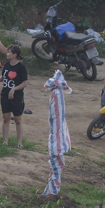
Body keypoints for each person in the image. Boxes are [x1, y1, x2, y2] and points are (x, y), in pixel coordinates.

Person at [43, 69, 72, 197]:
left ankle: (52, 191)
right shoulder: (57, 93)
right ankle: (52, 191)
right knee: (56, 167)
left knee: (56, 167)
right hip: (56, 138)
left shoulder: (56, 94)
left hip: (56, 139)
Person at [0, 45, 29, 147]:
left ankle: (19, 143)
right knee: (6, 118)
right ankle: (5, 141)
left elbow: (25, 83)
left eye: (9, 52)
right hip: (5, 94)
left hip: (17, 96)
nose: (7, 54)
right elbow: (3, 77)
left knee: (18, 119)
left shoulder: (21, 67)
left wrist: (14, 89)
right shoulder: (7, 64)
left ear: (15, 54)